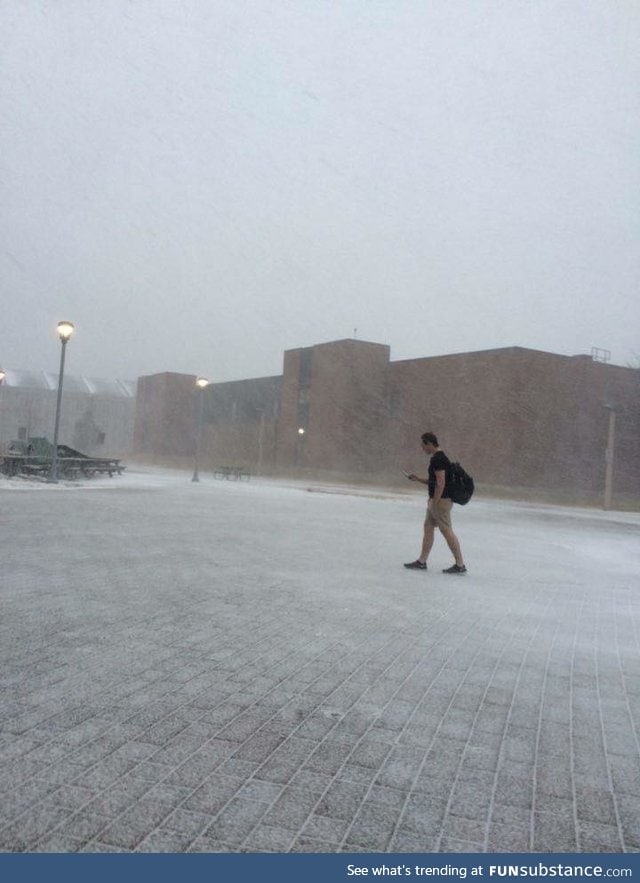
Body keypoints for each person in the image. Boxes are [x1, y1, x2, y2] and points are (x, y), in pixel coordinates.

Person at [404, 432, 467, 574]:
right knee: (428, 527)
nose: (422, 448)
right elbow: (434, 481)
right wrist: (418, 479)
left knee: (447, 531)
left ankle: (460, 565)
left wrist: (435, 502)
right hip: (437, 500)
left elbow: (441, 483)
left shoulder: (438, 459)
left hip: (440, 502)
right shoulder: (439, 458)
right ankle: (422, 561)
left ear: (430, 444)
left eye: (423, 445)